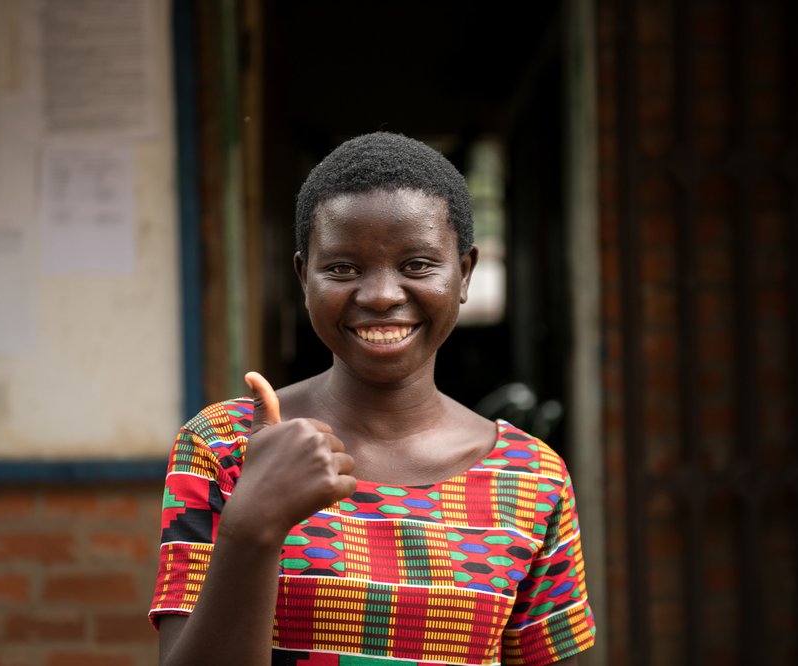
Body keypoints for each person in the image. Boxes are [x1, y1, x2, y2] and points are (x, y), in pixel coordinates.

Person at [150, 132, 596, 665]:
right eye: (342, 268)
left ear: (465, 273)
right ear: (303, 277)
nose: (382, 295)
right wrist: (254, 522)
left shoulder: (532, 477)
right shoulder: (222, 446)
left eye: (417, 265)